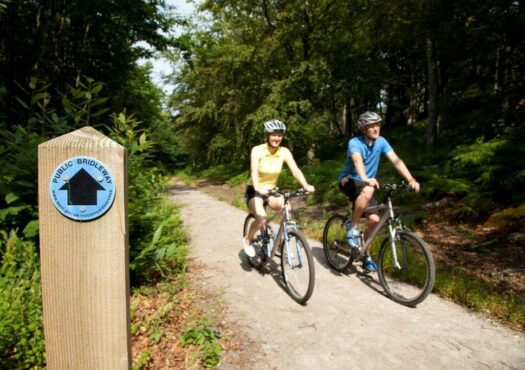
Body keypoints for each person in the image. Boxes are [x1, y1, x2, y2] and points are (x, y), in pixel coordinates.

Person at [338, 111, 420, 271]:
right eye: (371, 126)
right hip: (349, 181)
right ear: (363, 128)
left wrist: (410, 179)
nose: (376, 129)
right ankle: (353, 227)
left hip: (366, 185)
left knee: (375, 221)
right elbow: (357, 160)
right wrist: (365, 177)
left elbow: (396, 160)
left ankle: (365, 254)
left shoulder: (381, 142)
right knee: (368, 189)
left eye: (377, 125)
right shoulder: (354, 142)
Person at [242, 119, 315, 257]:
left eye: (280, 135)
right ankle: (247, 240)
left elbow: (295, 170)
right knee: (262, 218)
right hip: (255, 190)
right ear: (267, 136)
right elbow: (254, 171)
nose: (277, 138)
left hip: (271, 191)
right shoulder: (257, 150)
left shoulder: (284, 151)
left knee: (285, 208)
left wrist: (305, 185)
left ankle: (283, 243)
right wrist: (258, 188)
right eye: (274, 135)